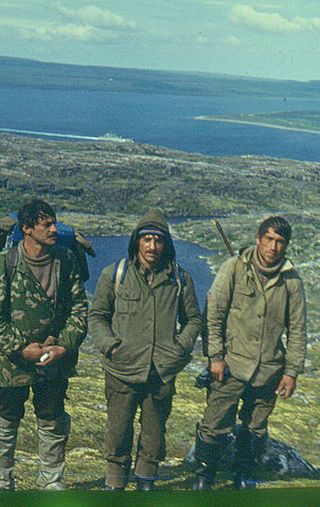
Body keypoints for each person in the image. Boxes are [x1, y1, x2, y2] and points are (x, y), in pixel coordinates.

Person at [89, 209, 203, 491]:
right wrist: (111, 346)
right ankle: (114, 486)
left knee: (153, 436)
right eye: (147, 239)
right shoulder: (114, 274)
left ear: (166, 244)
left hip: (161, 372)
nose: (152, 246)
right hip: (122, 369)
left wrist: (180, 349)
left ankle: (145, 485)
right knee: (118, 433)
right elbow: (97, 316)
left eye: (158, 240)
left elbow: (193, 319)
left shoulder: (180, 279)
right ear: (136, 242)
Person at [0, 198, 88, 491]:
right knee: (5, 420)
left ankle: (51, 481)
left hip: (54, 360)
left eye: (54, 223)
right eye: (46, 224)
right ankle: (1, 480)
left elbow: (79, 309)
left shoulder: (66, 261)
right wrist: (19, 348)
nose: (53, 229)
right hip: (10, 363)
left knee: (52, 419)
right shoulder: (3, 264)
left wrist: (63, 346)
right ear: (26, 229)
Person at [194, 216, 307, 490]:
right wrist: (215, 357)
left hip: (269, 370)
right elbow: (214, 315)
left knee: (255, 427)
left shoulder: (292, 281)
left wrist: (291, 372)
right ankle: (204, 476)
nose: (273, 247)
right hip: (230, 365)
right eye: (269, 239)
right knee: (215, 423)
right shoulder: (233, 268)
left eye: (280, 242)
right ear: (258, 239)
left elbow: (298, 331)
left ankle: (244, 474)